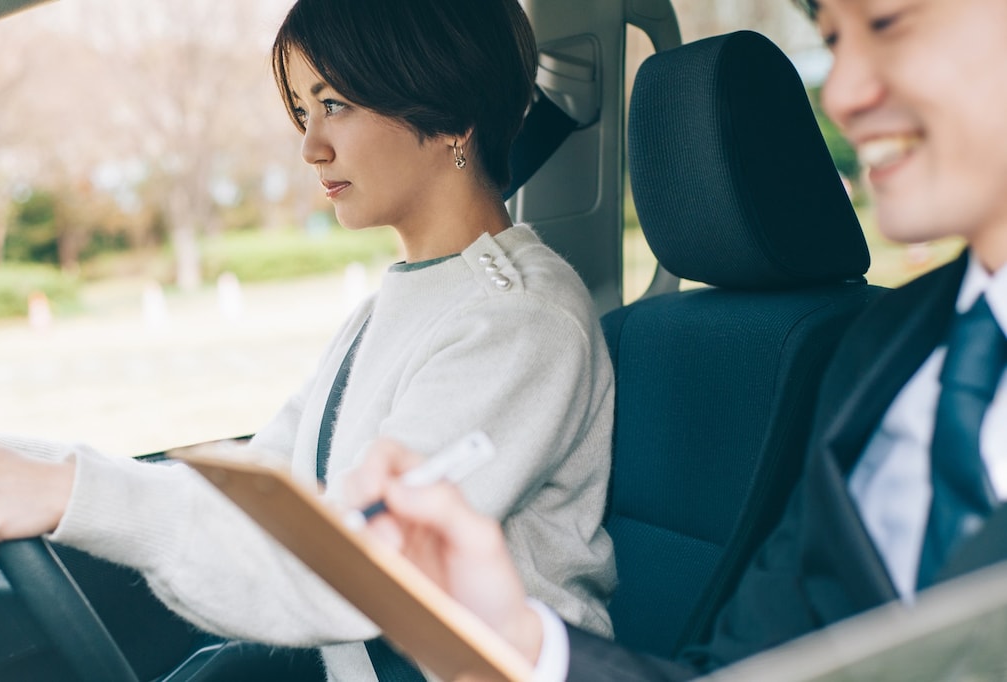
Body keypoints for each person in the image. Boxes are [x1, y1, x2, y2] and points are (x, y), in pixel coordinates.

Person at [0, 0, 619, 679]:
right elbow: (266, 488)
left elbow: (358, 573)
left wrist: (69, 494)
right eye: (302, 110)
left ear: (451, 113)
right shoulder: (403, 302)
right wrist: (16, 458)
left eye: (335, 104)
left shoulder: (518, 322)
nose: (309, 146)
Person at [346, 0, 1007, 678]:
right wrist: (515, 643)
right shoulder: (886, 351)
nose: (839, 94)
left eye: (888, 22)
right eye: (832, 40)